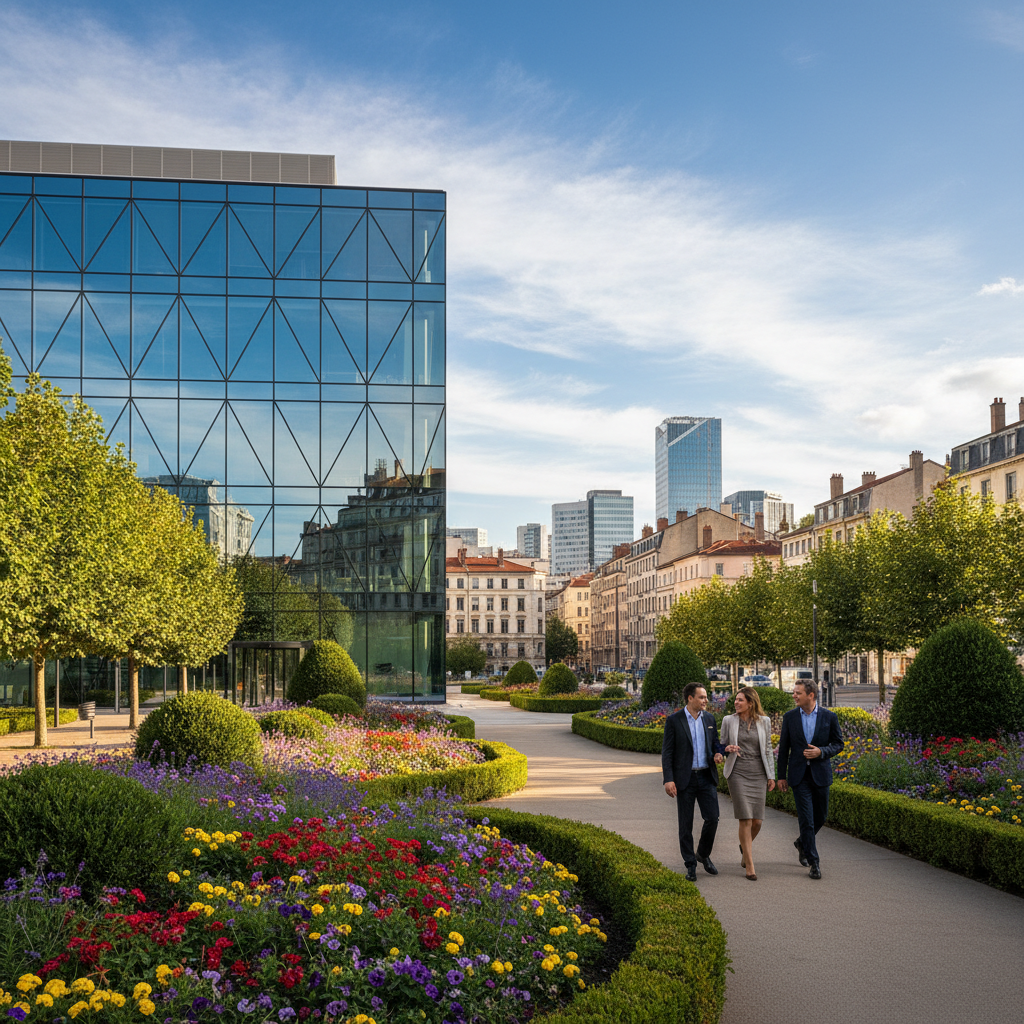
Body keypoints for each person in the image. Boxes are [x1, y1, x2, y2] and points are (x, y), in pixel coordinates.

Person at [777, 678, 844, 879]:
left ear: (811, 695)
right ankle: (814, 862)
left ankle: (801, 843)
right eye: (794, 692)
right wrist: (781, 776)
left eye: (797, 693)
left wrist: (821, 752)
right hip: (799, 777)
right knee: (806, 820)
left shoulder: (829, 717)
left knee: (821, 816)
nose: (794, 696)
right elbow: (784, 750)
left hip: (820, 775)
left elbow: (838, 744)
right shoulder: (790, 717)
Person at [662, 682, 726, 882]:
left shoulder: (709, 718)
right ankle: (690, 864)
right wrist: (668, 779)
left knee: (712, 818)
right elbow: (668, 752)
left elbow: (715, 742)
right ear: (690, 698)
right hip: (685, 779)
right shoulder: (674, 720)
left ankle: (703, 854)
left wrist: (718, 752)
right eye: (702, 697)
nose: (706, 700)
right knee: (685, 824)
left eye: (706, 697)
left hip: (706, 776)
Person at [721, 686, 776, 881]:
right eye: (736, 700)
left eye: (740, 700)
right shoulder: (729, 720)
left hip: (758, 773)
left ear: (750, 703)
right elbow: (721, 745)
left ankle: (745, 848)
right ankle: (750, 865)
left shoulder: (765, 722)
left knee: (757, 821)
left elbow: (768, 749)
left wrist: (771, 775)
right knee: (745, 818)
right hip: (737, 772)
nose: (736, 703)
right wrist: (725, 749)